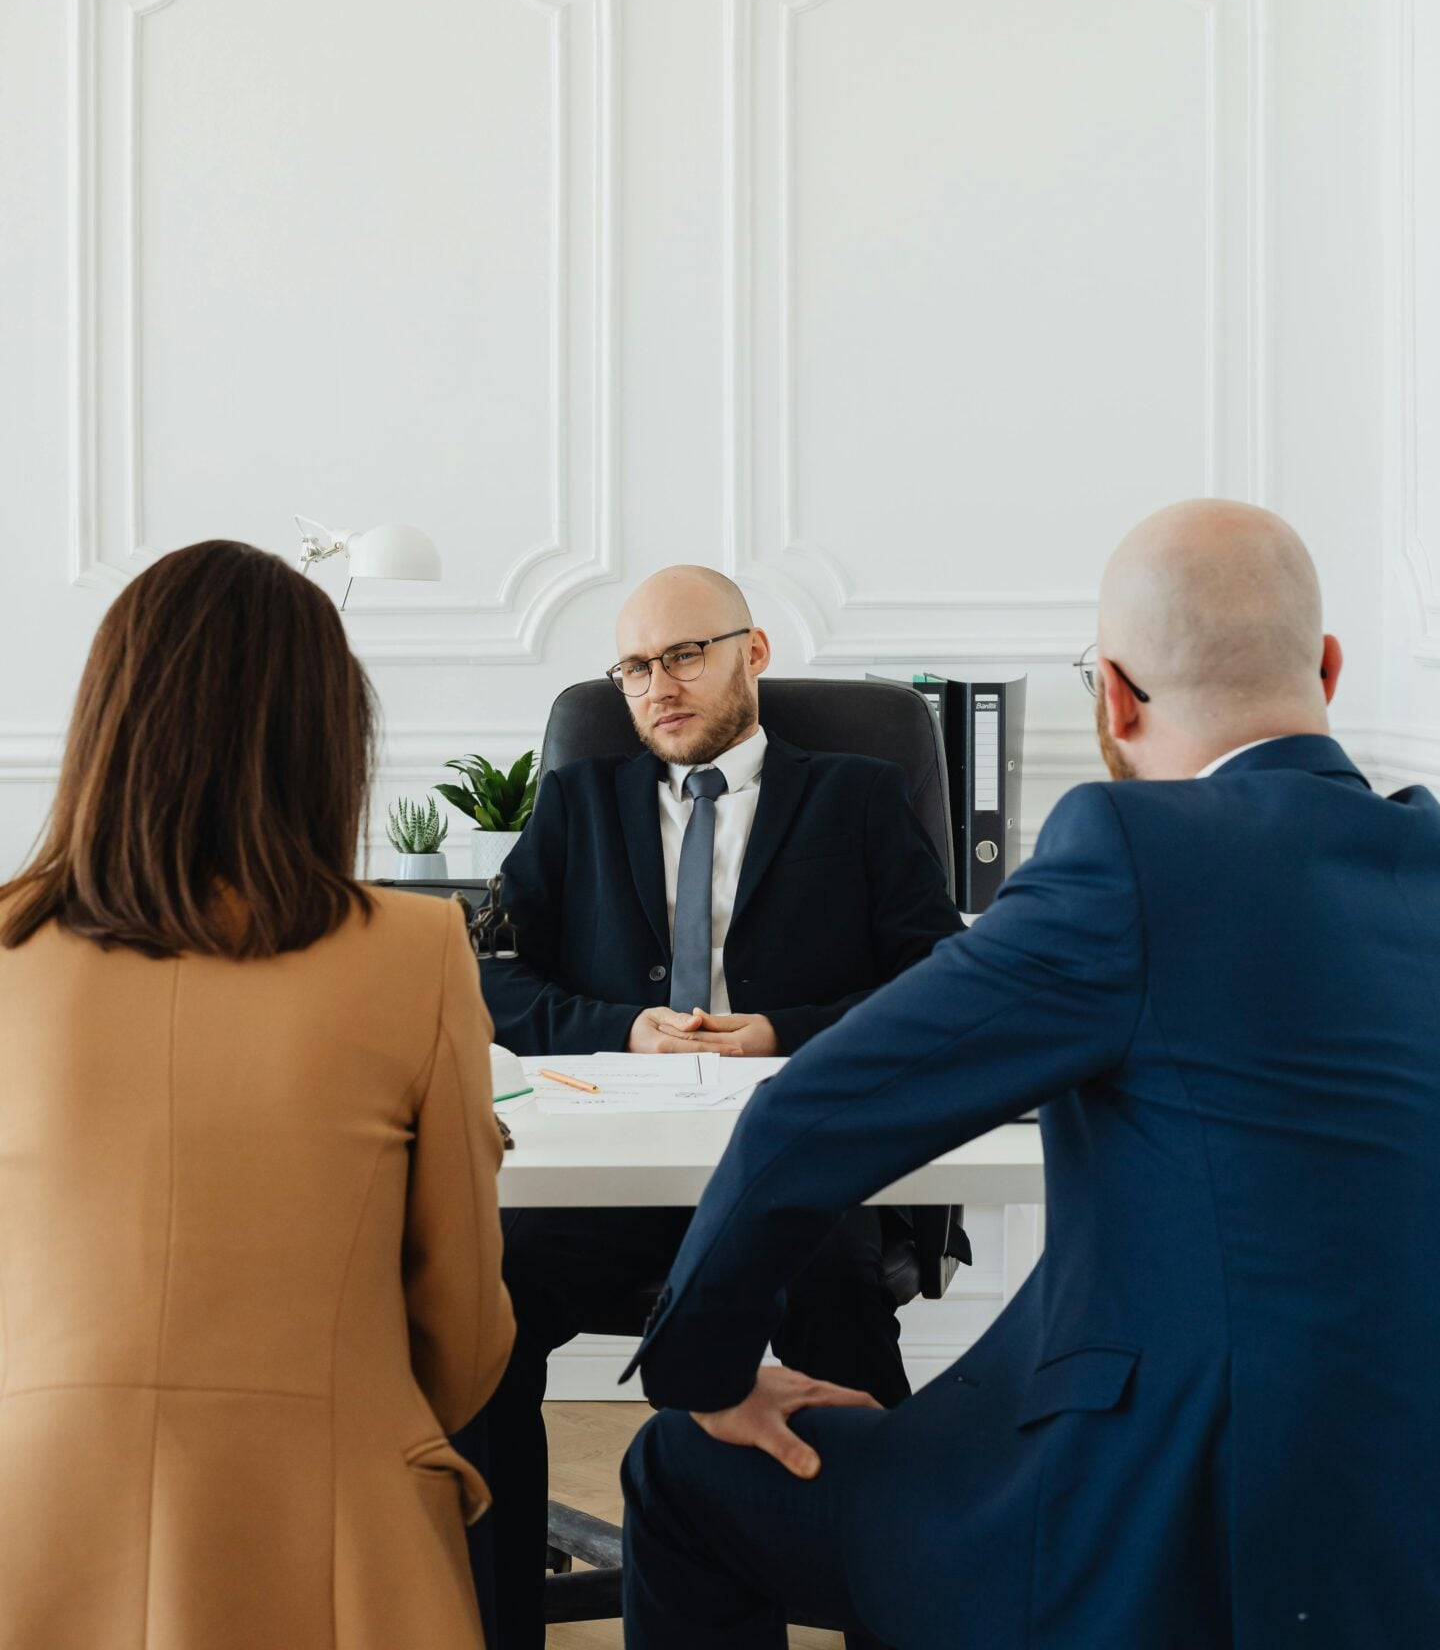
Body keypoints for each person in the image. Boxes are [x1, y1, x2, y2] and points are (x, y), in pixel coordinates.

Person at [619, 503, 1440, 1649]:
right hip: (1402, 1517)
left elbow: (809, 1117)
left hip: (1161, 1514)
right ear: (1332, 671)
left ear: (1110, 693)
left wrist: (703, 1374)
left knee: (680, 1467)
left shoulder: (1133, 852)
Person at [0, 540, 514, 1650]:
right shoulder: (418, 950)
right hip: (336, 1531)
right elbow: (465, 1330)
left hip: (28, 1520)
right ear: (325, 738)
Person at [456, 563, 964, 1649]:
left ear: (754, 653)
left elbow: (942, 980)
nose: (658, 685)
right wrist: (616, 1027)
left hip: (789, 1176)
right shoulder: (581, 802)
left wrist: (785, 1028)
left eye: (684, 654)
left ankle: (905, 1600)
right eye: (635, 667)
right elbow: (484, 972)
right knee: (482, 1302)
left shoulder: (855, 797)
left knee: (836, 1302)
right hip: (611, 1174)